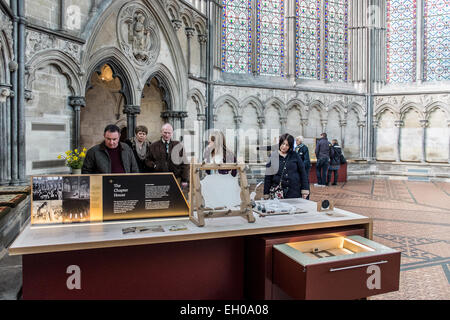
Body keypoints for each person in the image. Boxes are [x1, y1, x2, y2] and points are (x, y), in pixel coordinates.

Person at [263, 133, 309, 199]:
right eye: (283, 144)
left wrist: (305, 190)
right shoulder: (272, 156)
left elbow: (303, 173)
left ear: (290, 146)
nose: (284, 146)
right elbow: (268, 177)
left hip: (294, 192)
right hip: (277, 193)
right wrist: (266, 193)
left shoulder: (295, 155)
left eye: (287, 145)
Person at [146, 123, 189, 188]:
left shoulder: (178, 145)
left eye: (169, 133)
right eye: (165, 133)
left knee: (175, 197)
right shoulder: (153, 146)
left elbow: (185, 163)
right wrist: (154, 166)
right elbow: (147, 160)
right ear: (161, 132)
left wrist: (184, 179)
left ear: (172, 133)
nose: (167, 135)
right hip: (159, 178)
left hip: (176, 178)